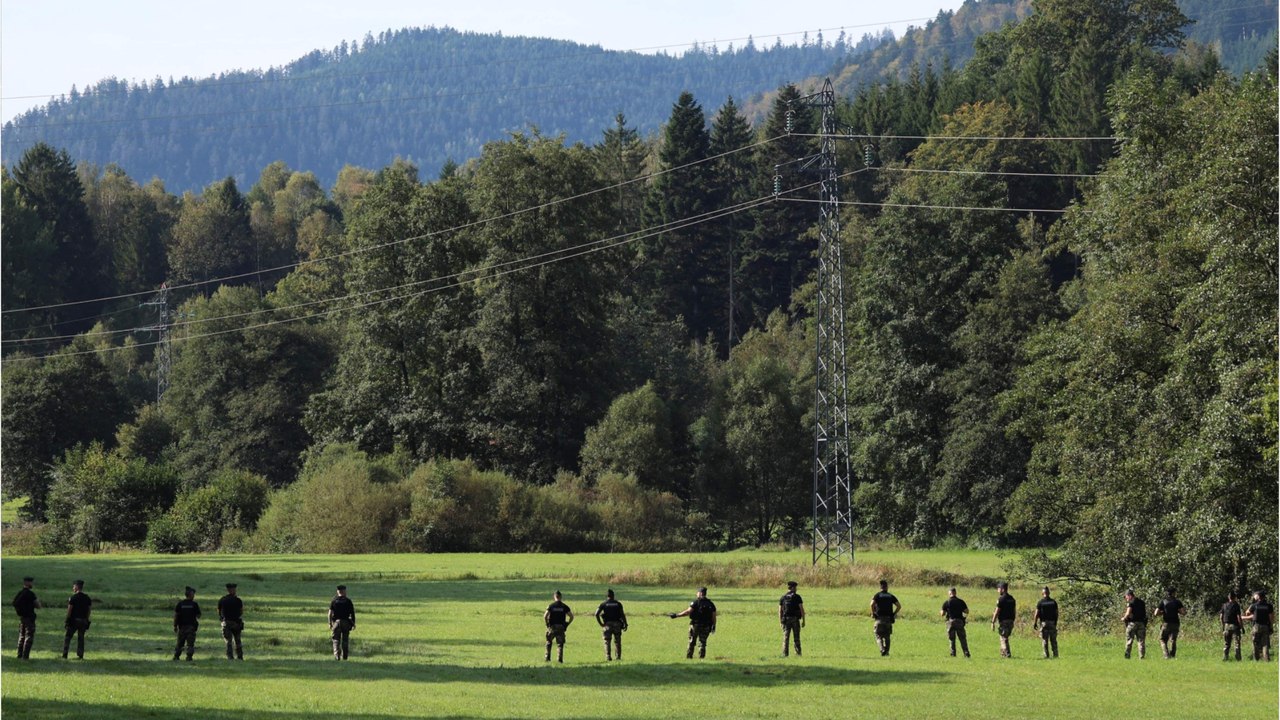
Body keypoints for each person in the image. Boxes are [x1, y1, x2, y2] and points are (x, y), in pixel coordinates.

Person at [669, 587, 717, 659]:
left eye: (697, 592)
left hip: (695, 625)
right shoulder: (711, 604)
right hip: (706, 626)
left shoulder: (696, 602)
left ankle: (689, 657)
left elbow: (688, 612)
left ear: (700, 593)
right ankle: (701, 658)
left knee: (692, 642)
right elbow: (714, 617)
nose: (696, 594)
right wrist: (714, 625)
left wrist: (676, 615)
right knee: (702, 643)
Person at [12, 576, 42, 660]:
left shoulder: (20, 593)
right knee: (29, 637)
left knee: (21, 636)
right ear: (27, 583)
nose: (32, 584)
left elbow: (14, 603)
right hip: (30, 618)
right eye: (31, 582)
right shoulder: (30, 594)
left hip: (22, 618)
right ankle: (25, 656)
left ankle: (19, 654)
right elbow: (38, 606)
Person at [594, 588, 627, 661]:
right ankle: (618, 657)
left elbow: (596, 614)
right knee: (617, 641)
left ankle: (608, 656)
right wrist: (625, 624)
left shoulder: (603, 604)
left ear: (607, 596)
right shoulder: (618, 604)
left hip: (607, 625)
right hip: (617, 624)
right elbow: (622, 614)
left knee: (607, 641)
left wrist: (601, 624)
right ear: (613, 595)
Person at [62, 580, 92, 660]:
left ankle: (65, 654)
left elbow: (69, 610)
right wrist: (87, 619)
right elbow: (89, 610)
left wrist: (67, 620)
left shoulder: (73, 598)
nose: (73, 588)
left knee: (68, 637)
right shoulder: (87, 598)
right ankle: (80, 655)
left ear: (77, 587)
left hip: (74, 621)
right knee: (81, 638)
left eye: (73, 586)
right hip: (83, 621)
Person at [1153, 588, 1186, 659]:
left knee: (1162, 639)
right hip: (1175, 623)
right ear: (1173, 593)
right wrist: (1178, 611)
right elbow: (1183, 612)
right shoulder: (1177, 602)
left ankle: (1166, 655)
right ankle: (1172, 655)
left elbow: (1155, 613)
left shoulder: (1163, 602)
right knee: (1173, 640)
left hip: (1166, 623)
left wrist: (1162, 612)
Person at [870, 580, 901, 657]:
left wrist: (873, 613)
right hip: (888, 619)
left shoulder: (877, 595)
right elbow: (899, 606)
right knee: (887, 636)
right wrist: (893, 614)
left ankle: (882, 649)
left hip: (879, 619)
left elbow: (872, 604)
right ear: (887, 587)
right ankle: (886, 652)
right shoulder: (891, 596)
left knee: (878, 635)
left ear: (880, 587)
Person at [1242, 591, 1273, 661]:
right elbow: (1271, 617)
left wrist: (1251, 616)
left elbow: (1247, 612)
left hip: (1256, 626)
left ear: (1258, 597)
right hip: (1265, 626)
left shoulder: (1254, 605)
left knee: (1255, 643)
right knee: (1265, 644)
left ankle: (1256, 659)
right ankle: (1266, 659)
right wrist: (1271, 627)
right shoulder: (1269, 606)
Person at [543, 590, 574, 663]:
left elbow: (545, 616)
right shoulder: (564, 606)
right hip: (561, 627)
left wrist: (547, 624)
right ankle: (559, 659)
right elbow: (571, 616)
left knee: (549, 642)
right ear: (561, 597)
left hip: (552, 627)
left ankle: (547, 658)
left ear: (554, 597)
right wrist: (567, 624)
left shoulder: (551, 606)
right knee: (560, 644)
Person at [940, 587, 970, 658]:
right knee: (962, 638)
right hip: (959, 621)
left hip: (950, 622)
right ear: (955, 593)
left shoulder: (947, 602)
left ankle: (953, 654)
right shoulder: (961, 601)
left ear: (949, 593)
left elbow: (942, 614)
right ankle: (966, 653)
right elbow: (967, 611)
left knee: (951, 639)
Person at [172, 587, 201, 661]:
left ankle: (176, 656)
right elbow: (198, 616)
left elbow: (176, 616)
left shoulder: (180, 604)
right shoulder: (194, 604)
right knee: (190, 644)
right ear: (190, 595)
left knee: (180, 643)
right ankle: (189, 657)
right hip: (191, 627)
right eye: (193, 594)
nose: (194, 596)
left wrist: (175, 626)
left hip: (181, 627)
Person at [217, 583, 245, 660]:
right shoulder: (238, 600)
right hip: (236, 623)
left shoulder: (222, 600)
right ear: (233, 590)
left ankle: (230, 657)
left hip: (226, 623)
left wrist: (222, 618)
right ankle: (240, 657)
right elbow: (241, 611)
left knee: (228, 642)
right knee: (238, 641)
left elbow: (219, 611)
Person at [328, 585, 356, 660]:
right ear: (344, 591)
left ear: (338, 591)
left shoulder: (334, 601)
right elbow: (352, 613)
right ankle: (345, 656)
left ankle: (337, 655)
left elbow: (330, 613)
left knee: (336, 639)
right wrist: (353, 623)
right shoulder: (348, 601)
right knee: (345, 640)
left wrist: (330, 623)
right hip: (346, 622)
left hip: (336, 623)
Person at [1031, 586, 1059, 659]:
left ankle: (1046, 655)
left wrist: (1035, 623)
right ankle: (1055, 655)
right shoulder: (1053, 602)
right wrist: (1055, 622)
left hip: (1044, 623)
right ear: (1049, 593)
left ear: (1042, 593)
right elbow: (1056, 613)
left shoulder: (1040, 603)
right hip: (1052, 623)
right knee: (1053, 640)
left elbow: (1036, 614)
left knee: (1044, 640)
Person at [779, 580, 805, 657]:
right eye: (796, 587)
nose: (796, 589)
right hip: (795, 620)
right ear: (793, 588)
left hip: (786, 620)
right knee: (796, 637)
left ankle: (784, 654)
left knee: (785, 638)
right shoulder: (797, 597)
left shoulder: (783, 597)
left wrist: (780, 622)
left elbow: (780, 611)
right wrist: (803, 620)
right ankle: (798, 654)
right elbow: (801, 609)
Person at [991, 582, 1016, 658]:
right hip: (1011, 621)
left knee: (1003, 638)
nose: (998, 590)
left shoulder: (1001, 599)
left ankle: (1007, 654)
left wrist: (993, 622)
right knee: (1004, 637)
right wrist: (1013, 619)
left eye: (999, 589)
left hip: (1004, 621)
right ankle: (1003, 654)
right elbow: (1014, 610)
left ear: (1003, 589)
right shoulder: (1012, 599)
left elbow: (997, 611)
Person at [1121, 588, 1147, 660]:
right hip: (1141, 624)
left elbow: (1128, 613)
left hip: (1132, 624)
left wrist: (1124, 618)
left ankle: (1127, 656)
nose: (1126, 599)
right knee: (1141, 641)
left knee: (1129, 640)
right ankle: (1141, 657)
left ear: (1129, 595)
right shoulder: (1142, 602)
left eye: (1126, 597)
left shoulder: (1131, 603)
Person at [1221, 591, 1244, 661]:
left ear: (1228, 597)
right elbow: (1238, 617)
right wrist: (1242, 627)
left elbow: (1221, 617)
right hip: (1235, 626)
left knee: (1227, 643)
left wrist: (1223, 626)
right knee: (1237, 643)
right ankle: (1238, 659)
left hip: (1226, 626)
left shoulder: (1224, 605)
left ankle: (1225, 657)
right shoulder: (1236, 605)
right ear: (1235, 598)